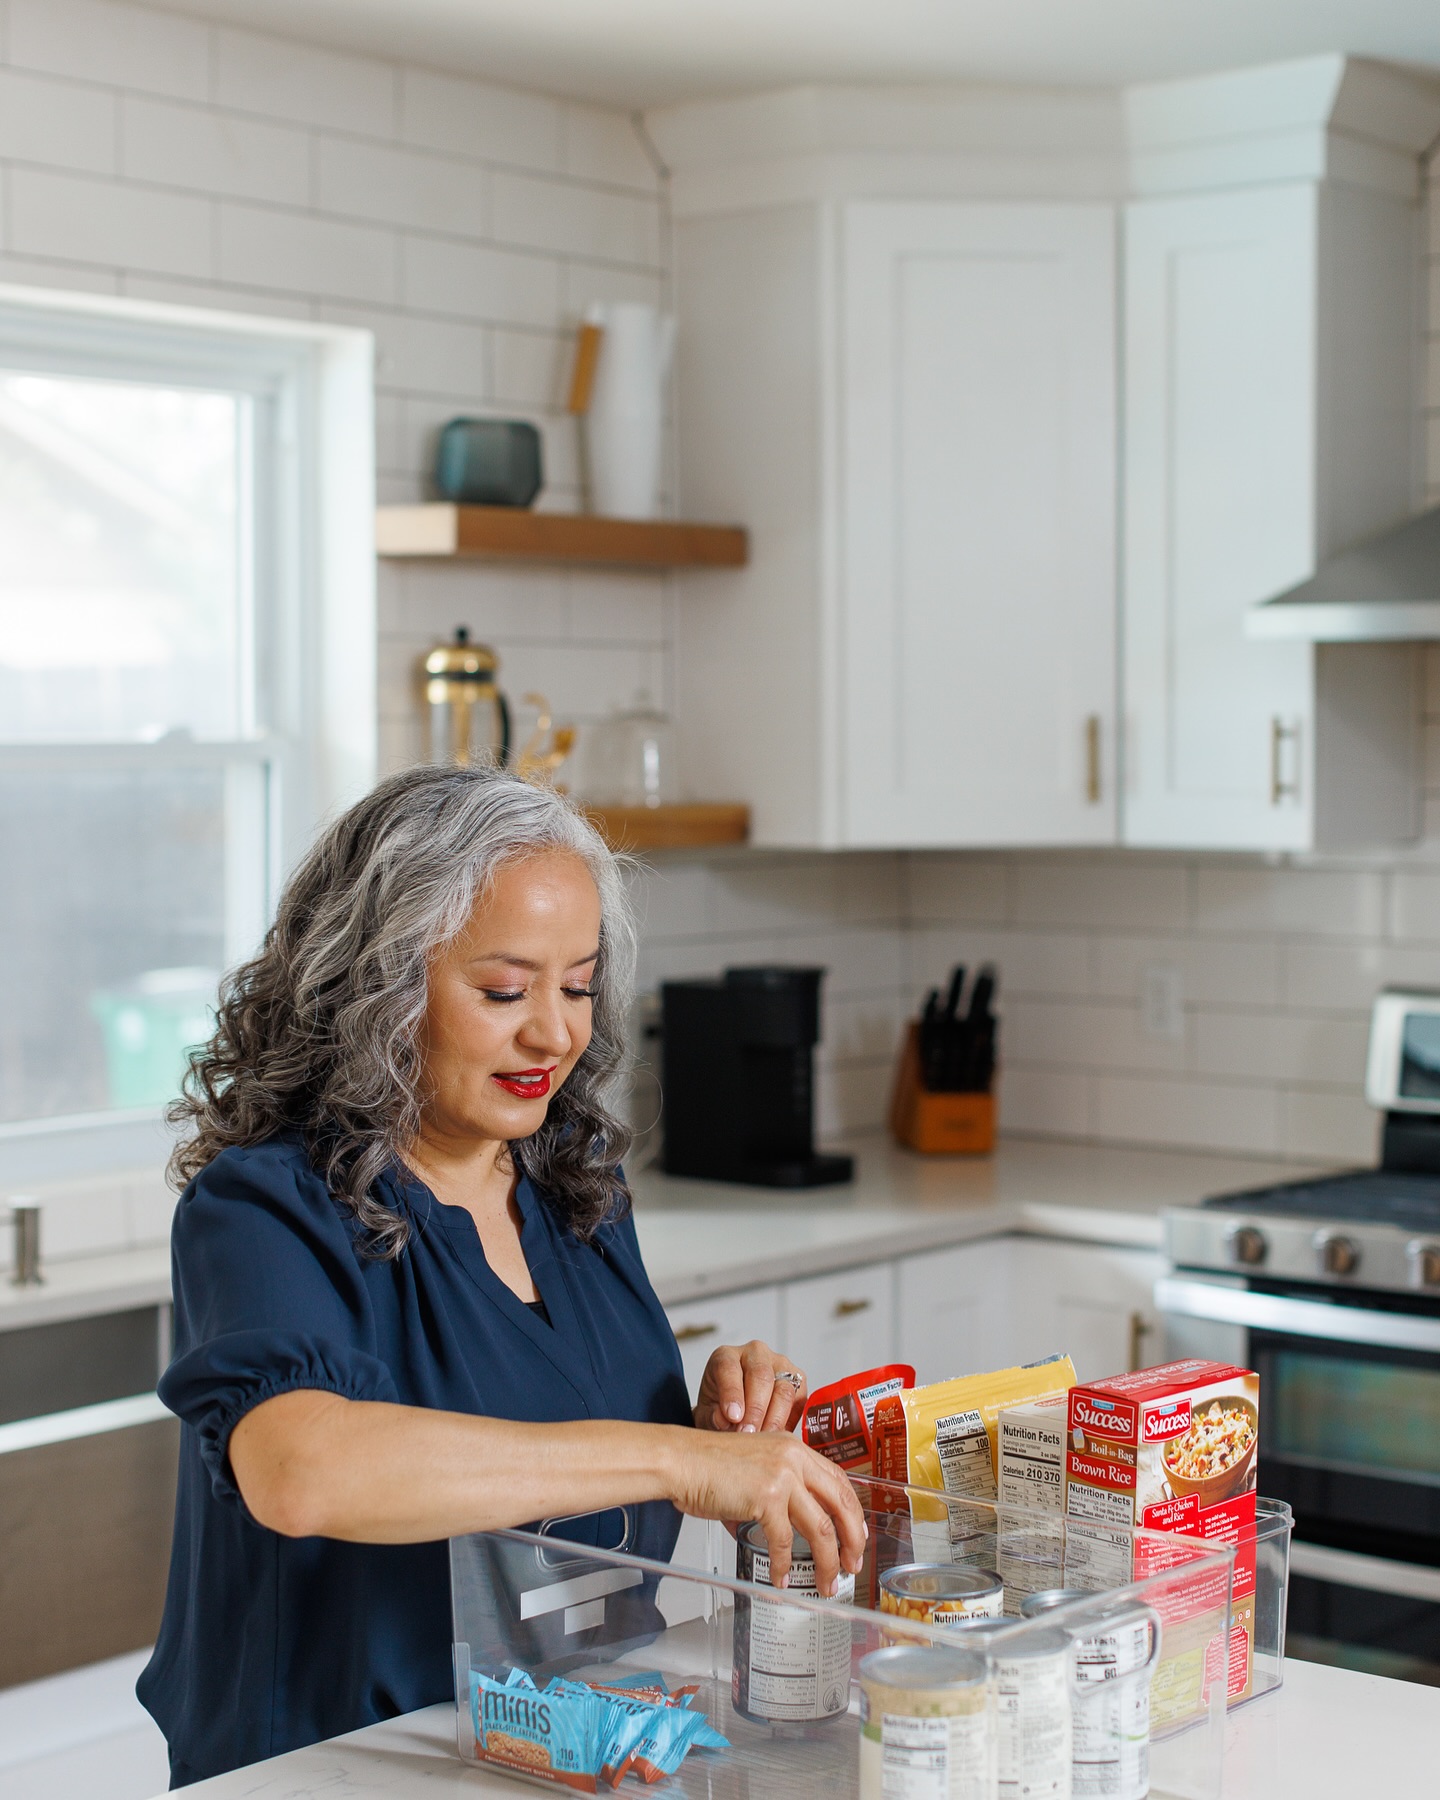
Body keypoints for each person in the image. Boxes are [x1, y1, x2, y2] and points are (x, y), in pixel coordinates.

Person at [137, 765, 864, 1787]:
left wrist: (713, 1429)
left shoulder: (574, 1182)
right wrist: (671, 1462)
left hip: (575, 1744)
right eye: (503, 991)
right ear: (378, 984)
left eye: (576, 986)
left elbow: (575, 1440)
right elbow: (304, 1471)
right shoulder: (264, 1209)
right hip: (344, 1770)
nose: (555, 1034)